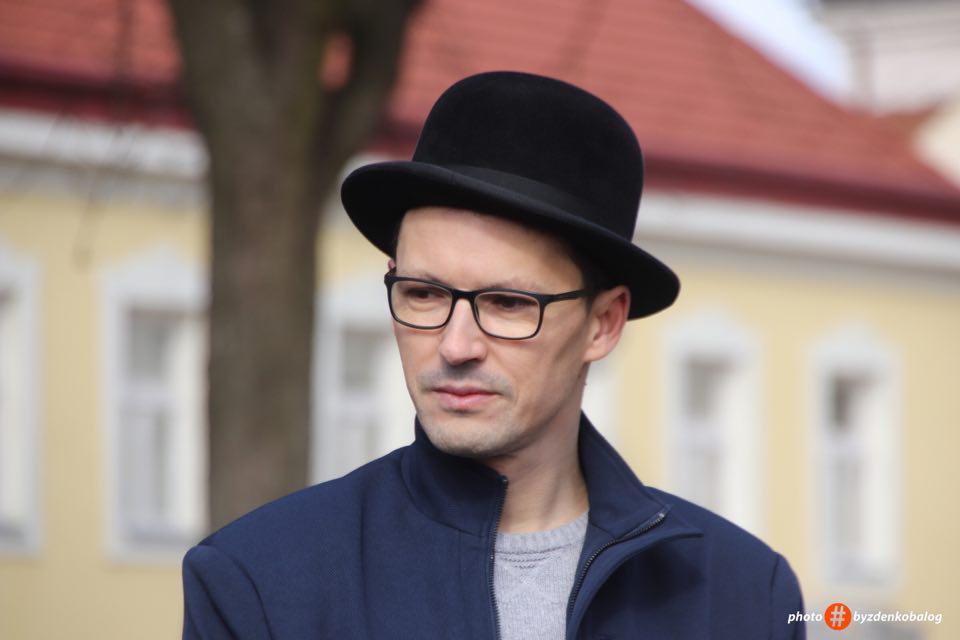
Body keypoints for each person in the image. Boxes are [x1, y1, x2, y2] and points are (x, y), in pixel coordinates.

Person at [182, 71, 806, 639]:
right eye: (423, 293)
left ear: (603, 323)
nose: (455, 346)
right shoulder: (258, 584)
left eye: (508, 304)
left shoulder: (744, 596)